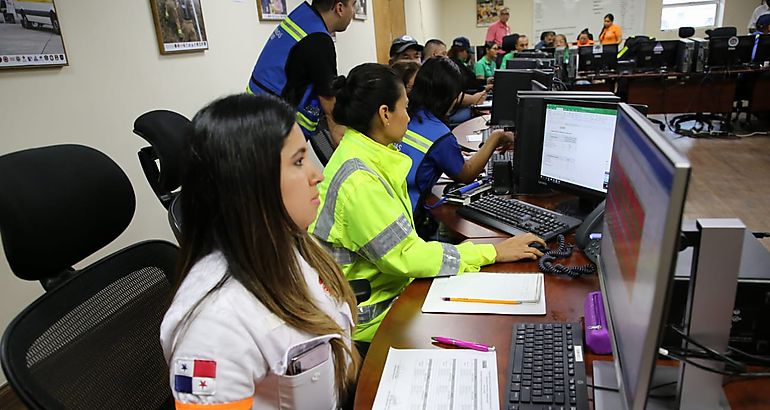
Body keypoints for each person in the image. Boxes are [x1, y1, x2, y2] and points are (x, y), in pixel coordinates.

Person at [308, 63, 546, 345]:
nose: (409, 118)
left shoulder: (362, 152)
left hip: (382, 287)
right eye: (405, 108)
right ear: (385, 114)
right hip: (368, 316)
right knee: (484, 329)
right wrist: (491, 253)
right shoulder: (360, 181)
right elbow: (408, 256)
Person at [161, 93, 360, 408]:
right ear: (249, 182)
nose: (316, 174)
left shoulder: (294, 244)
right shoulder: (215, 326)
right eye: (298, 161)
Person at [401, 57, 514, 234]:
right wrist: (495, 137)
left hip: (394, 207)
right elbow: (466, 174)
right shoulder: (439, 135)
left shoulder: (406, 116)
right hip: (410, 219)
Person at [247, 0, 356, 145]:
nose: (354, 11)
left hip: (253, 117)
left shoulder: (300, 17)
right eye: (353, 4)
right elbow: (331, 108)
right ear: (340, 8)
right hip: (273, 131)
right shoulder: (319, 40)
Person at [447, 36, 489, 123]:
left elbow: (471, 82)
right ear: (461, 51)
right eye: (467, 52)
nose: (468, 55)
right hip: (460, 105)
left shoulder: (458, 65)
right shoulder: (455, 67)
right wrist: (475, 97)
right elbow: (467, 85)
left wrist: (485, 82)